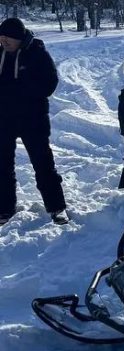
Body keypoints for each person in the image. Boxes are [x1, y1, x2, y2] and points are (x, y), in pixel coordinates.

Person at [0, 18, 68, 225]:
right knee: (2, 166)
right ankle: (4, 208)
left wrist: (16, 88)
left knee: (43, 164)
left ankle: (57, 208)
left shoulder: (38, 53)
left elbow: (49, 84)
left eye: (8, 38)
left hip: (33, 119)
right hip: (3, 119)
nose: (4, 41)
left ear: (20, 38)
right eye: (1, 37)